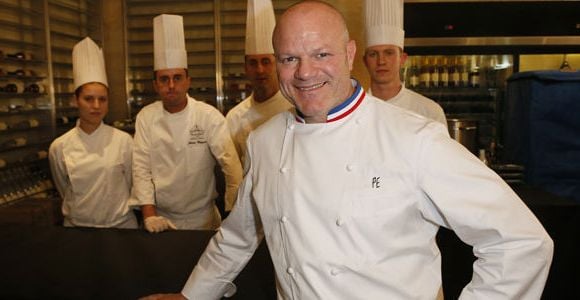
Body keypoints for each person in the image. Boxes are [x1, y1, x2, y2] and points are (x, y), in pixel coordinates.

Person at [141, 1, 553, 299]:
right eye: (289, 58)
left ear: (350, 55)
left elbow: (520, 242)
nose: (305, 73)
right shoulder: (264, 142)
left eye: (321, 54)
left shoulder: (414, 139)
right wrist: (192, 296)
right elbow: (238, 235)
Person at [131, 14, 243, 233]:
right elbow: (141, 169)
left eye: (177, 78)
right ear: (155, 84)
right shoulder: (146, 117)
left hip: (203, 218)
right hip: (161, 219)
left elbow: (231, 166)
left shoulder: (208, 116)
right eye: (164, 79)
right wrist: (149, 215)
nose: (171, 85)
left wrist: (234, 212)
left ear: (188, 81)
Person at [49, 37, 137, 228]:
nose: (96, 106)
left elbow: (132, 183)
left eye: (102, 99)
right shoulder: (59, 146)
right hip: (77, 228)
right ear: (75, 101)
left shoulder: (124, 141)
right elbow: (64, 188)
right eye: (89, 99)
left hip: (121, 226)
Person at [225, 0, 293, 163]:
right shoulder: (234, 118)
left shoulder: (294, 107)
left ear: (277, 63)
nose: (260, 70)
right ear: (246, 68)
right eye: (253, 63)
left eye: (266, 61)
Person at [363, 0, 447, 126]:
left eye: (389, 53)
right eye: (373, 54)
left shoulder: (429, 112)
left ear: (402, 58)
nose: (381, 61)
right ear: (365, 61)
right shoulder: (355, 110)